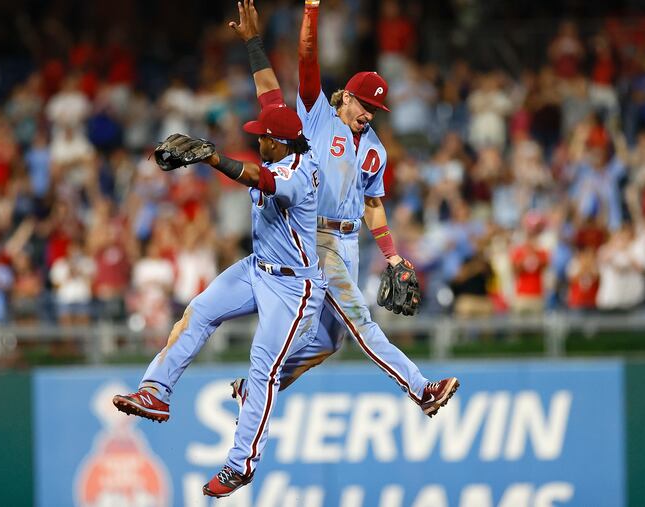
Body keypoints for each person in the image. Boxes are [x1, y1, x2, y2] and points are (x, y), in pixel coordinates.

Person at [113, 1, 326, 497]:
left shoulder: (298, 174)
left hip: (294, 289)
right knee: (200, 310)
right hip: (259, 268)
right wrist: (253, 43)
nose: (257, 140)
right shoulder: (285, 137)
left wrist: (211, 156)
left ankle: (241, 462)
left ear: (278, 145)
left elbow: (258, 175)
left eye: (261, 139)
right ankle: (157, 391)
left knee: (262, 369)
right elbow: (270, 93)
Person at [232, 0, 458, 419]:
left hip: (349, 241)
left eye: (376, 110)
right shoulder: (317, 116)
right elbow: (306, 58)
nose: (369, 114)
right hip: (314, 236)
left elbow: (373, 205)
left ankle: (256, 386)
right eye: (364, 105)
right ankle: (421, 388)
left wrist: (391, 254)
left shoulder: (375, 148)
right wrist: (312, 11)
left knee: (330, 341)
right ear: (347, 97)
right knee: (362, 322)